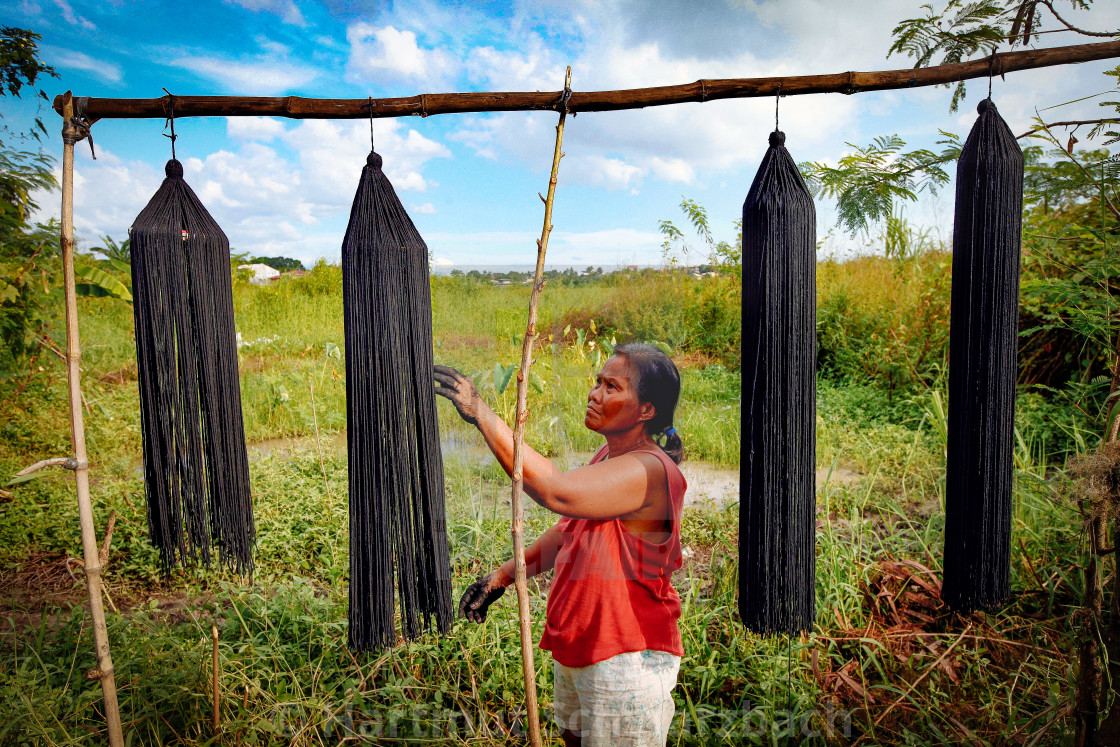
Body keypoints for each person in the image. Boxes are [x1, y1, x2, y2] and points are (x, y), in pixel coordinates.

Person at [433, 343, 687, 747]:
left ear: (647, 411)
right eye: (597, 382)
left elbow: (557, 492)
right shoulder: (608, 455)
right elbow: (567, 531)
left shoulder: (650, 470)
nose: (594, 394)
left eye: (611, 387)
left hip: (625, 658)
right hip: (580, 647)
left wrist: (482, 414)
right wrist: (501, 577)